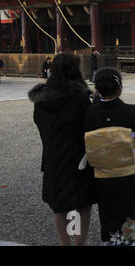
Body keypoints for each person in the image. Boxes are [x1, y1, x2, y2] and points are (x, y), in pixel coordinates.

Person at [28, 52, 95, 246]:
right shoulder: (80, 99)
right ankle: (79, 243)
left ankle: (65, 243)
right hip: (78, 159)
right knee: (82, 205)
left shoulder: (41, 101)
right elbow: (89, 127)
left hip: (52, 157)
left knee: (60, 207)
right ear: (74, 71)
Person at [84, 67, 135, 246]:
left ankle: (110, 240)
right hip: (130, 173)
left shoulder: (90, 113)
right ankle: (130, 240)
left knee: (108, 210)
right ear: (120, 88)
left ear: (97, 89)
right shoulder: (131, 111)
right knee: (131, 209)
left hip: (103, 174)